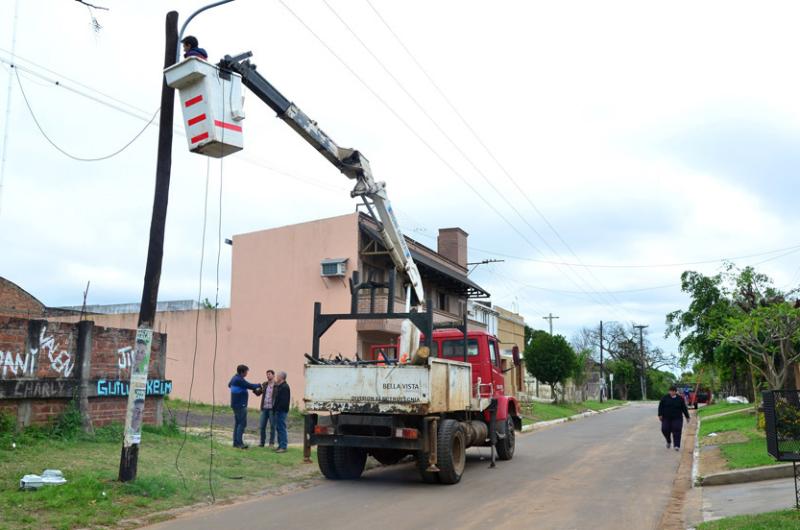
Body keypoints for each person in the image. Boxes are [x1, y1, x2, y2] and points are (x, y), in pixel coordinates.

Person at [228, 364, 260, 449]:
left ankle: (236, 442)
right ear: (242, 372)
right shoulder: (239, 379)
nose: (247, 373)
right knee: (242, 423)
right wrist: (259, 385)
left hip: (235, 404)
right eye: (246, 372)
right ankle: (239, 443)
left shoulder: (234, 378)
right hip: (240, 405)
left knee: (238, 423)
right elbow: (250, 385)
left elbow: (229, 385)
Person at [658, 385, 691, 451]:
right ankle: (668, 441)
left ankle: (676, 445)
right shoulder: (665, 398)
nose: (671, 393)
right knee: (664, 429)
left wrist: (687, 417)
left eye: (673, 391)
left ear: (675, 392)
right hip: (666, 417)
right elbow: (660, 406)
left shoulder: (680, 399)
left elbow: (684, 408)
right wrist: (660, 415)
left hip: (677, 418)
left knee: (677, 430)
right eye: (670, 391)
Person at [272, 371, 291, 453]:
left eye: (278, 376)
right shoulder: (280, 386)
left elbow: (283, 401)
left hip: (281, 411)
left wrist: (278, 409)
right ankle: (280, 445)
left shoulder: (285, 387)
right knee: (279, 428)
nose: (276, 377)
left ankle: (283, 446)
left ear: (281, 377)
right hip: (278, 411)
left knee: (281, 428)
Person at [258, 369, 277, 448]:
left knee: (272, 426)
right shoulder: (265, 384)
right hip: (264, 408)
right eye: (267, 374)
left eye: (269, 374)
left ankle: (271, 443)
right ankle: (262, 443)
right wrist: (256, 388)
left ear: (273, 375)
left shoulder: (277, 385)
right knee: (262, 426)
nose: (268, 375)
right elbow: (259, 393)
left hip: (272, 409)